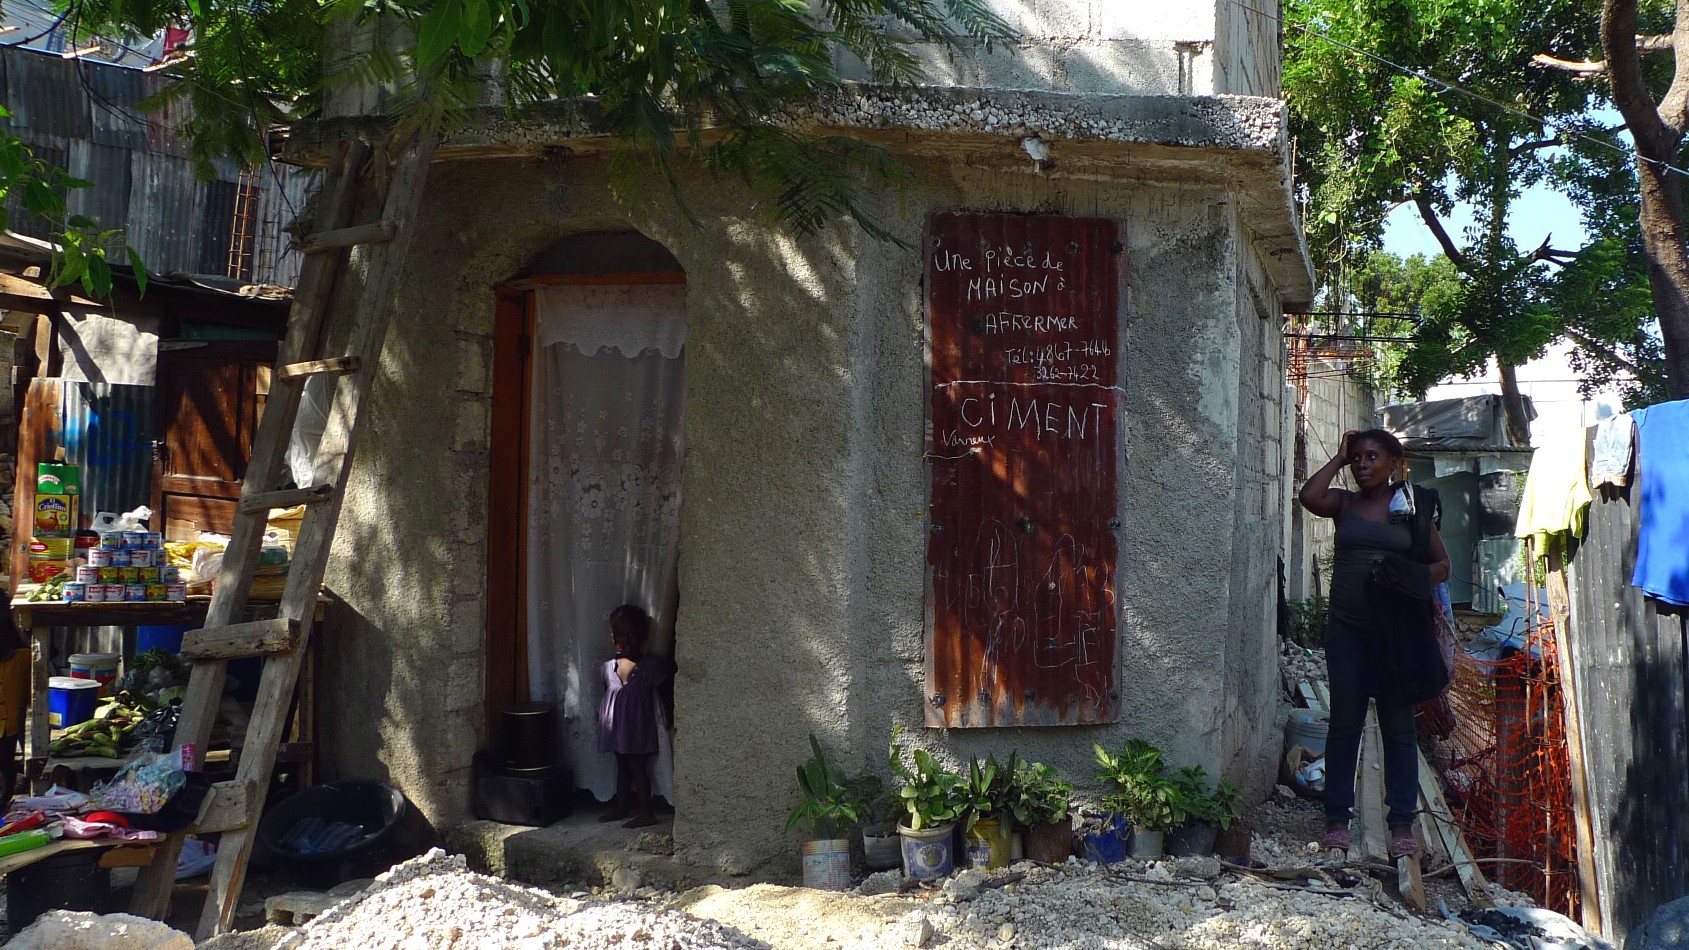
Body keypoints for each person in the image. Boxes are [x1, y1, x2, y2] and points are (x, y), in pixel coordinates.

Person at [1299, 428, 1451, 857]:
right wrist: (1338, 456)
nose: (1363, 465)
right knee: (1345, 724)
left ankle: (1401, 823)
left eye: (1371, 457)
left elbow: (1443, 565)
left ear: (1392, 462)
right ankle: (1336, 818)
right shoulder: (1344, 505)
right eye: (1357, 458)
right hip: (1347, 632)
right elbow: (1309, 496)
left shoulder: (1411, 508)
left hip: (1395, 636)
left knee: (1399, 729)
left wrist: (1410, 575)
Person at [597, 604, 672, 828]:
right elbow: (607, 695)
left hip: (638, 729)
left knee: (638, 767)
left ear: (643, 636)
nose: (625, 640)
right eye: (619, 634)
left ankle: (647, 812)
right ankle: (622, 806)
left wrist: (670, 720)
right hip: (616, 729)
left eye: (631, 634)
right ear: (612, 636)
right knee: (622, 767)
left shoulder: (649, 666)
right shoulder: (607, 667)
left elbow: (665, 691)